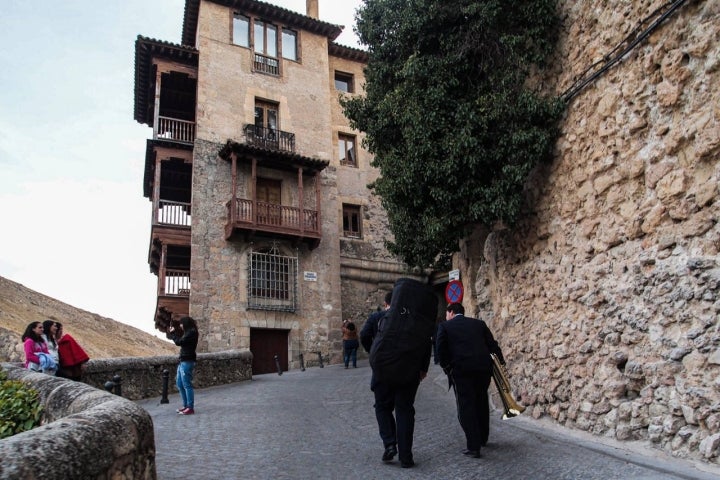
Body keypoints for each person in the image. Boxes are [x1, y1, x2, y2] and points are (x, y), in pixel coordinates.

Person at [361, 288, 432, 469]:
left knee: (382, 407)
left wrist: (375, 355)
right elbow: (425, 342)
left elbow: (364, 335)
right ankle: (406, 457)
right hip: (408, 372)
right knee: (405, 411)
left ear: (386, 304)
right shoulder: (414, 319)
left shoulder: (377, 317)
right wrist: (423, 368)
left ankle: (390, 443)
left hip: (382, 371)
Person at [436, 302, 505, 458]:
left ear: (451, 312)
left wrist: (448, 369)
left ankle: (473, 446)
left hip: (461, 373)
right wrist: (501, 364)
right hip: (483, 371)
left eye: (447, 313)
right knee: (481, 401)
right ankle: (483, 438)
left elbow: (440, 351)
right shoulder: (479, 324)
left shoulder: (445, 327)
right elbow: (492, 345)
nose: (446, 317)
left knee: (466, 406)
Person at [168, 316, 199, 415]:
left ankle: (190, 407)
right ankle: (186, 405)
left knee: (186, 384)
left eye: (181, 324)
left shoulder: (191, 333)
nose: (180, 326)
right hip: (183, 360)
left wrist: (173, 333)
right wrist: (175, 333)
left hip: (187, 361)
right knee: (179, 383)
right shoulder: (189, 333)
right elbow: (181, 341)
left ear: (185, 323)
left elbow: (179, 342)